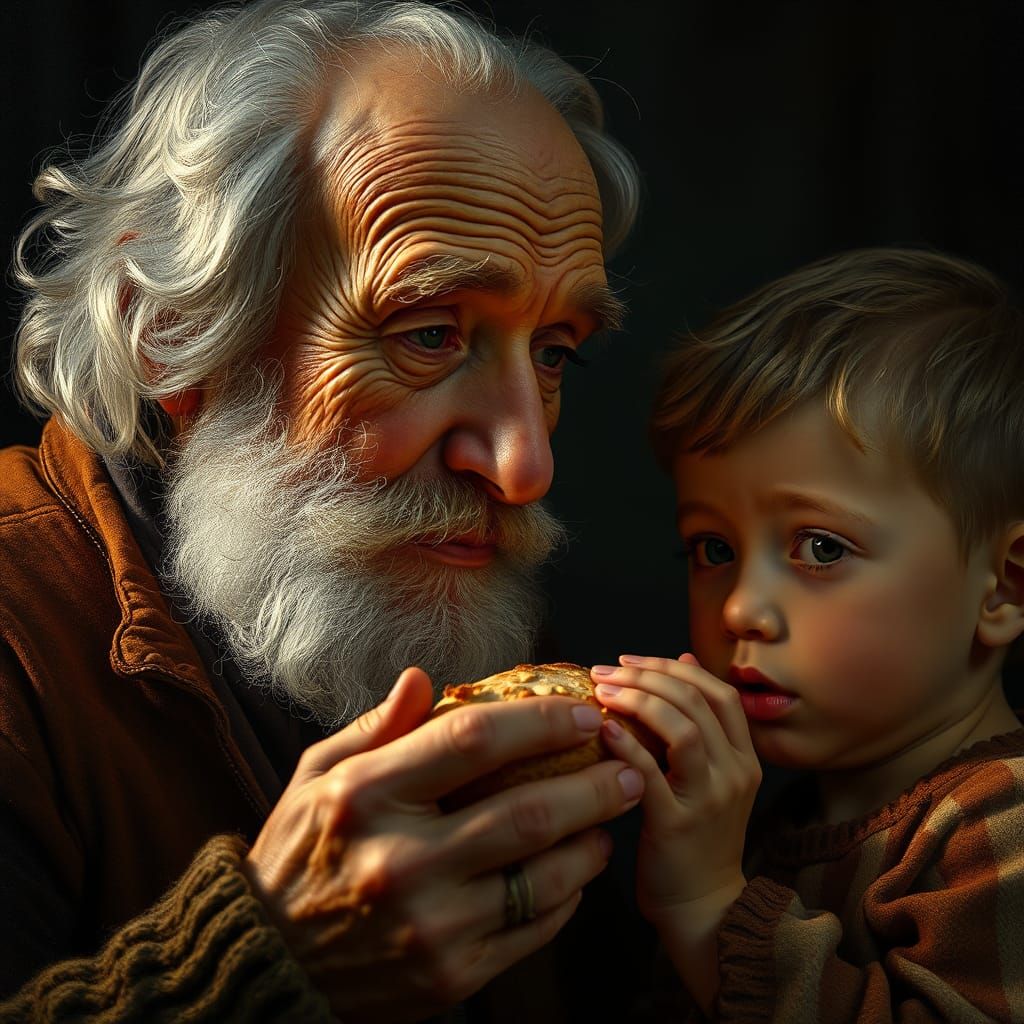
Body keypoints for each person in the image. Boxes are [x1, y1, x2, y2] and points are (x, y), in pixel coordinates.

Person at [0, 1, 647, 1020]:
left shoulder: (455, 604)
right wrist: (262, 963)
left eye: (555, 350)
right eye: (429, 333)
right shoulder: (17, 636)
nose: (524, 466)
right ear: (171, 333)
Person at [591, 248, 1024, 1021]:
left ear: (1005, 587)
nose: (741, 610)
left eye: (822, 548)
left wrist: (704, 902)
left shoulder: (1002, 829)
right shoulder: (777, 818)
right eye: (713, 550)